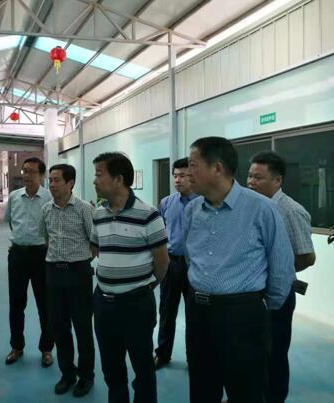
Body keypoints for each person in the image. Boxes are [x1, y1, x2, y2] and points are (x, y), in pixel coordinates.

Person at [183, 137, 295, 403]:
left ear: (217, 168)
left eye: (193, 165)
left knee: (246, 391)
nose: (187, 173)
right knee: (201, 387)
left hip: (242, 316)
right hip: (198, 312)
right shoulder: (192, 210)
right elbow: (191, 258)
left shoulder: (261, 209)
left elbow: (281, 268)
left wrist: (258, 307)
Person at [90, 152, 169, 403]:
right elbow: (96, 249)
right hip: (104, 303)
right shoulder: (98, 214)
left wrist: (145, 286)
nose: (94, 181)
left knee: (142, 366)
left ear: (118, 179)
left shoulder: (149, 214)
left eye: (99, 175)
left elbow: (162, 262)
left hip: (136, 305)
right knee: (111, 367)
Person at [247, 150, 316, 403]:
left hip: (278, 293)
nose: (251, 182)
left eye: (258, 178)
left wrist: (279, 271)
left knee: (274, 352)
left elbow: (307, 256)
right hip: (253, 293)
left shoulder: (290, 211)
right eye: (249, 176)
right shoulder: (253, 207)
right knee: (254, 350)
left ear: (278, 180)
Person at [40, 164, 95, 397]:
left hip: (78, 273)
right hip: (53, 273)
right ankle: (67, 374)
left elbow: (94, 242)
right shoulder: (46, 210)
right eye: (50, 180)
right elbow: (46, 239)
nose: (51, 184)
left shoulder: (84, 209)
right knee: (59, 326)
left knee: (82, 327)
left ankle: (86, 376)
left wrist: (79, 262)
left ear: (70, 183)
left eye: (56, 180)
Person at [4, 157, 54, 367]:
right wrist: (21, 241)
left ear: (41, 175)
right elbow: (11, 223)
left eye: (32, 171)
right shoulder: (14, 197)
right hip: (18, 255)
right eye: (24, 171)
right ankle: (17, 346)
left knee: (45, 304)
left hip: (42, 256)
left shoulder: (49, 198)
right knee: (16, 303)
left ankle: (46, 349)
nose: (27, 175)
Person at [154, 157, 197, 370]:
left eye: (183, 176)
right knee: (166, 311)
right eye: (175, 176)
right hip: (171, 264)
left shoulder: (203, 203)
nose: (178, 180)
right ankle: (162, 354)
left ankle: (194, 358)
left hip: (195, 267)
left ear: (193, 176)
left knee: (195, 314)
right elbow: (161, 233)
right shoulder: (166, 203)